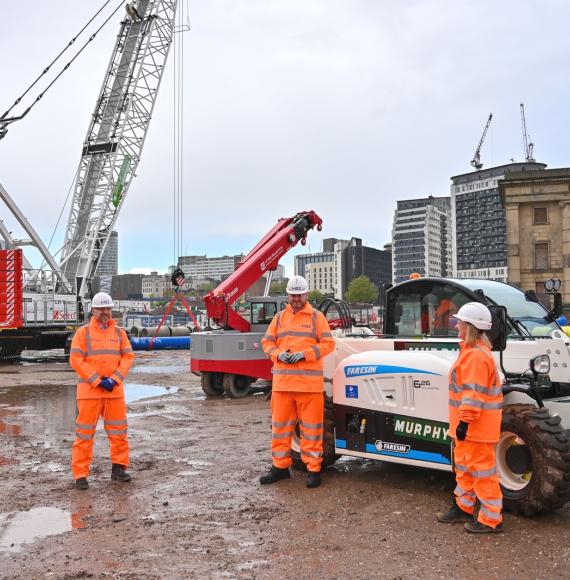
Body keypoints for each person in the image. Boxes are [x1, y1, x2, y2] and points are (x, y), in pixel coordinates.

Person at [260, 275, 335, 488]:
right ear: (288, 295)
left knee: (311, 430)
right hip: (283, 385)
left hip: (308, 387)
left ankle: (313, 469)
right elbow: (267, 342)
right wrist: (278, 354)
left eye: (299, 295)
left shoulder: (316, 317)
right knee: (280, 429)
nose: (296, 299)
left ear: (306, 294)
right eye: (292, 295)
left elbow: (329, 344)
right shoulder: (279, 318)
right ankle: (280, 468)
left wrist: (305, 354)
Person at [436, 302, 504, 533]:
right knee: (465, 469)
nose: (456, 326)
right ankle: (463, 507)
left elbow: (473, 395)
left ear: (470, 327)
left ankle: (491, 519)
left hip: (475, 427)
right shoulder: (471, 352)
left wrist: (464, 422)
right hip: (468, 427)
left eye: (460, 322)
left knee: (482, 472)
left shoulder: (475, 356)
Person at [69, 292, 135, 490]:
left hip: (113, 391)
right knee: (84, 435)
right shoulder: (83, 333)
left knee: (119, 433)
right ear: (93, 310)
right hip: (90, 392)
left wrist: (114, 379)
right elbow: (75, 359)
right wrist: (97, 380)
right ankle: (80, 475)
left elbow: (129, 356)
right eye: (101, 309)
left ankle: (119, 469)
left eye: (108, 308)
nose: (105, 312)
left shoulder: (119, 333)